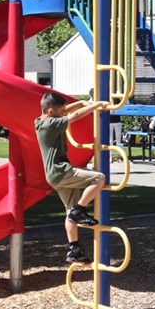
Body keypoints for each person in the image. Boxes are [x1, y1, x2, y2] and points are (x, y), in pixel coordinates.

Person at [34, 92, 108, 264]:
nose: (64, 113)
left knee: (69, 211)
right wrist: (96, 106)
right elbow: (74, 116)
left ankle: (74, 249)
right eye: (61, 112)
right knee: (99, 178)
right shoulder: (51, 124)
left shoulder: (39, 121)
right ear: (51, 111)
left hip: (54, 175)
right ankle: (80, 210)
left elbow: (66, 110)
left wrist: (82, 102)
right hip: (61, 171)